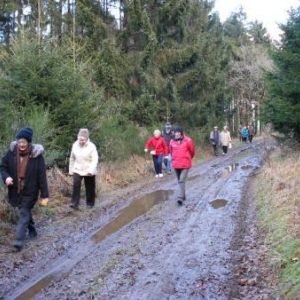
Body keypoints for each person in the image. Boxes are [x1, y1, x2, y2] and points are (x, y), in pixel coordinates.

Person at [0, 127, 49, 251]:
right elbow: (3, 166)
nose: (21, 144)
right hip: (15, 190)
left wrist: (44, 195)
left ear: (29, 142)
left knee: (24, 211)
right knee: (23, 211)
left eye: (24, 142)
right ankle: (32, 228)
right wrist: (6, 178)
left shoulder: (36, 156)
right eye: (19, 141)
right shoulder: (11, 152)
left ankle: (19, 239)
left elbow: (42, 176)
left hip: (30, 191)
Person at [69, 128, 98, 209]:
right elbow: (72, 158)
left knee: (89, 187)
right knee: (76, 184)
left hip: (89, 169)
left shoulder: (92, 146)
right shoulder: (75, 145)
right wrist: (71, 170)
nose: (81, 142)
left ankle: (90, 203)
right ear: (78, 138)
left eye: (83, 140)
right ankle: (74, 203)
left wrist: (91, 170)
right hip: (77, 168)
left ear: (87, 139)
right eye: (80, 140)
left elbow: (95, 159)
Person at [169, 126, 195, 205]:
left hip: (185, 164)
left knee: (181, 180)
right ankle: (183, 195)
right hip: (176, 164)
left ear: (181, 133)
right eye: (175, 133)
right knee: (179, 181)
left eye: (178, 133)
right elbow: (171, 151)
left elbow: (192, 151)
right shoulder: (171, 141)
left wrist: (188, 158)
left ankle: (180, 197)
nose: (176, 134)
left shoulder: (188, 140)